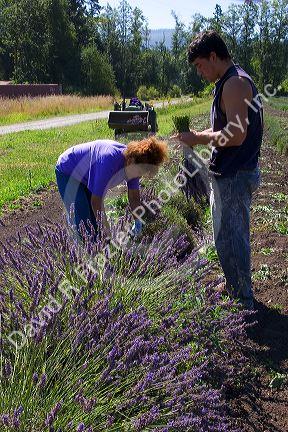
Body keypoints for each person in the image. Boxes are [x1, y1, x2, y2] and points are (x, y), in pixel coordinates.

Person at [173, 30, 263, 310]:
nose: (199, 72)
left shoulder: (234, 83)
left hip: (235, 176)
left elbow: (236, 135)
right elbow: (227, 128)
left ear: (213, 56)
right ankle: (233, 285)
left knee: (234, 237)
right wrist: (198, 134)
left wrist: (199, 139)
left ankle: (243, 301)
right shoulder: (228, 81)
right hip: (229, 173)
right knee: (224, 236)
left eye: (200, 65)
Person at [55, 136, 168, 240]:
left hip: (86, 175)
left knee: (94, 226)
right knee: (83, 222)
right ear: (131, 160)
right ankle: (83, 257)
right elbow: (96, 201)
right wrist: (108, 233)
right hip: (68, 170)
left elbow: (134, 198)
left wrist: (138, 221)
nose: (138, 176)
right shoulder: (109, 161)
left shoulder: (134, 167)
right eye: (139, 171)